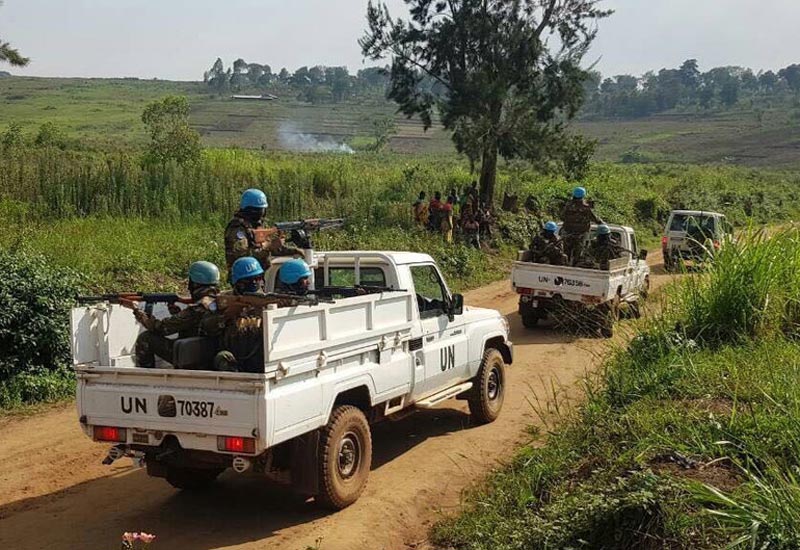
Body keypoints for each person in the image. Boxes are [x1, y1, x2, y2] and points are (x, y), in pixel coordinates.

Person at [133, 261, 222, 369]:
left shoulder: (197, 309)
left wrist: (137, 311)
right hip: (209, 355)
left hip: (195, 357)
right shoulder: (221, 302)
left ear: (194, 283)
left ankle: (145, 379)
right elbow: (194, 325)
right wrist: (177, 313)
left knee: (146, 338)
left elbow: (161, 328)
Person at [224, 188, 303, 279]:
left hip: (260, 274)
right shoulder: (238, 228)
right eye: (259, 210)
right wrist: (268, 246)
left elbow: (268, 249)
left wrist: (293, 250)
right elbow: (242, 257)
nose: (261, 214)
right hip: (244, 278)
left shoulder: (256, 225)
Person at [214, 257, 267, 373]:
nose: (254, 283)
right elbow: (206, 327)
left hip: (259, 357)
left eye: (257, 278)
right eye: (249, 280)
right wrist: (227, 315)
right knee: (223, 357)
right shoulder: (225, 300)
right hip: (234, 356)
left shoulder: (265, 300)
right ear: (237, 282)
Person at [561, 186, 603, 265]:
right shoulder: (586, 208)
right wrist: (602, 223)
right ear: (583, 195)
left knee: (566, 251)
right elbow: (595, 219)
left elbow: (562, 216)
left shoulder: (568, 206)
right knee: (581, 252)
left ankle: (565, 264)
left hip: (568, 233)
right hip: (581, 234)